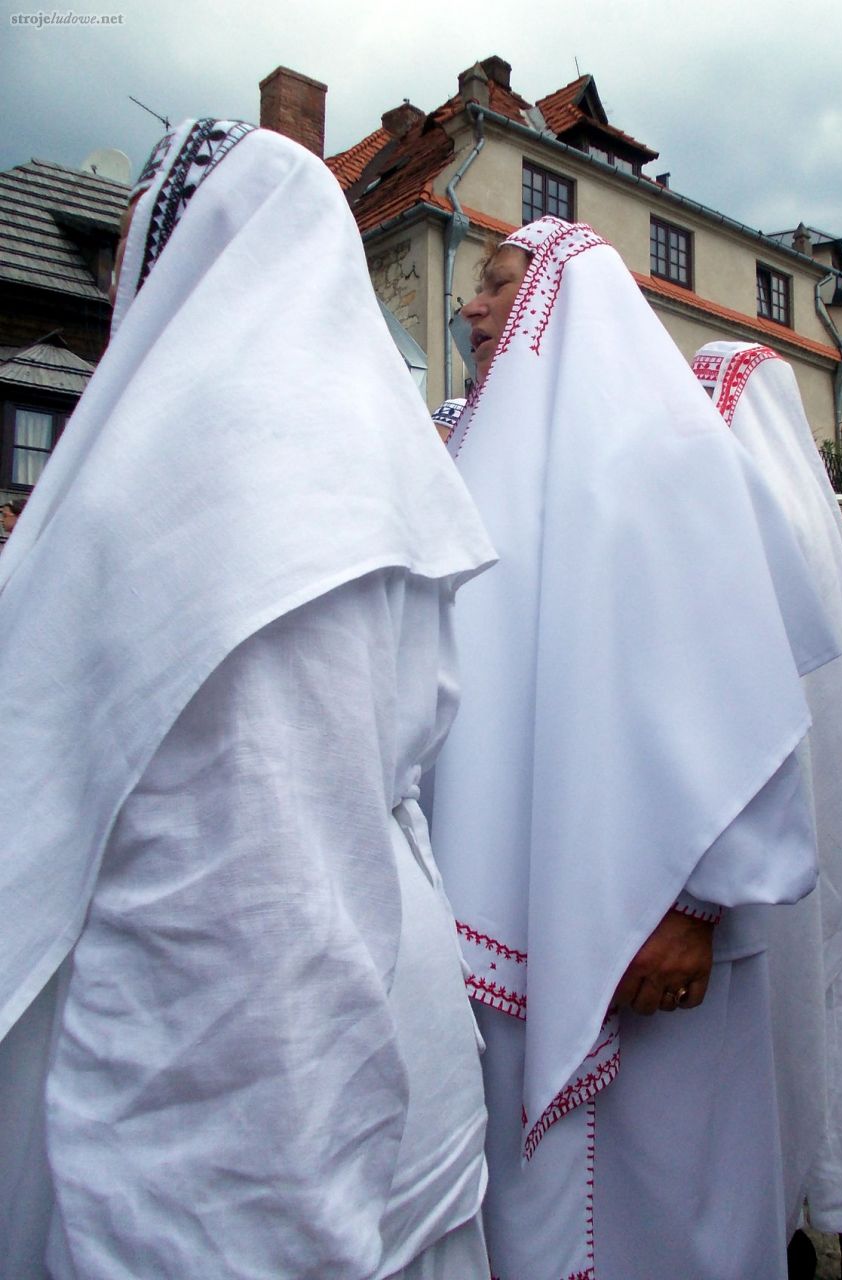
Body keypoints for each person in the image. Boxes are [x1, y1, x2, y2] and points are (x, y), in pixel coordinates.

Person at [0, 119, 498, 1279]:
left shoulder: (230, 489)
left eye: (134, 248)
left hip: (273, 1148)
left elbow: (255, 953)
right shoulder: (336, 467)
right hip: (386, 1062)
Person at [429, 216, 839, 1280]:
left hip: (655, 945)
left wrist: (693, 905)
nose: (471, 304)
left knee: (667, 1207)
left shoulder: (670, 456)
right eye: (473, 283)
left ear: (567, 300)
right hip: (523, 902)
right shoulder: (480, 460)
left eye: (498, 282)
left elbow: (742, 700)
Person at [693, 342, 842, 1280]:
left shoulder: (764, 516)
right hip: (768, 835)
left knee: (784, 1034)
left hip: (765, 838)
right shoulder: (796, 520)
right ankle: (828, 1216)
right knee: (801, 1030)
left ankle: (833, 1221)